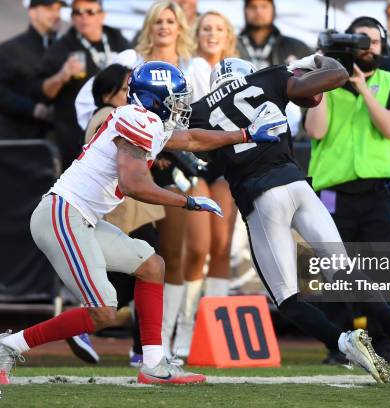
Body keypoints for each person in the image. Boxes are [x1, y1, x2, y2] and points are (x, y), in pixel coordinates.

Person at [0, 60, 286, 385]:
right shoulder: (136, 120)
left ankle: (154, 364)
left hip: (81, 217)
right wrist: (187, 201)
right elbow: (135, 186)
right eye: (176, 100)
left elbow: (192, 139)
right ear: (156, 99)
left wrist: (245, 134)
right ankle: (11, 344)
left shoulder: (147, 121)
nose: (181, 106)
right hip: (62, 215)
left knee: (151, 265)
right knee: (102, 310)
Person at [190, 55, 390, 385]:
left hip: (262, 198)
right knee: (344, 270)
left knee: (288, 299)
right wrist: (316, 58)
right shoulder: (267, 78)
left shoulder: (199, 111)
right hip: (298, 185)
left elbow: (199, 153)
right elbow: (335, 75)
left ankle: (345, 342)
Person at [305, 17, 390, 364]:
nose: (366, 48)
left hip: (378, 193)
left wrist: (364, 87)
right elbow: (316, 131)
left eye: (372, 42)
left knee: (381, 271)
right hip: (334, 193)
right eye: (358, 42)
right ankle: (341, 345)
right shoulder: (325, 86)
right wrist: (322, 81)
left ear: (381, 47)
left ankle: (386, 344)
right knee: (334, 273)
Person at [80, 63, 166, 367]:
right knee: (144, 273)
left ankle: (141, 347)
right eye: (126, 88)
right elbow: (128, 168)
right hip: (128, 211)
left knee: (139, 273)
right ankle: (89, 322)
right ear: (108, 94)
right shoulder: (111, 115)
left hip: (127, 210)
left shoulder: (117, 117)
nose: (133, 94)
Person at [172, 11, 240, 358]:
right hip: (196, 161)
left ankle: (216, 329)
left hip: (228, 163)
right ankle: (184, 326)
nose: (212, 34)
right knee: (198, 246)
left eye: (219, 29)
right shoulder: (188, 69)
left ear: (229, 36)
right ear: (196, 35)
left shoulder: (241, 70)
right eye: (206, 29)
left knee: (223, 244)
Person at [134, 0, 195, 360]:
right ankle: (147, 342)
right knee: (145, 252)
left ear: (179, 26)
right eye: (157, 20)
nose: (163, 27)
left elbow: (199, 119)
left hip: (180, 165)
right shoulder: (132, 61)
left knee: (177, 253)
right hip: (140, 164)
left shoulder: (193, 65)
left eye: (170, 20)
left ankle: (172, 338)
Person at [37, 0, 130, 170]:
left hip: (119, 129)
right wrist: (62, 75)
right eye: (77, 12)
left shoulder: (117, 40)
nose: (83, 17)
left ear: (102, 15)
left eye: (90, 12)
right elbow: (42, 93)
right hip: (75, 134)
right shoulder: (62, 47)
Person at [0, 0, 64, 140]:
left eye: (58, 9)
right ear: (32, 13)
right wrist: (32, 109)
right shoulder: (10, 49)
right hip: (18, 143)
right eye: (49, 9)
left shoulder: (63, 49)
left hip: (57, 141)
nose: (56, 14)